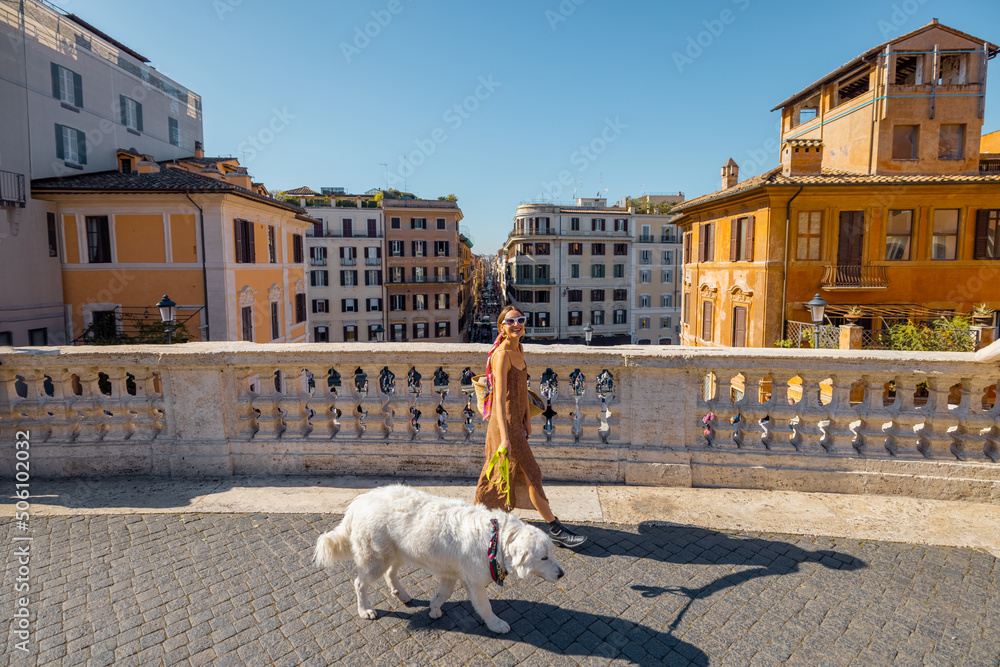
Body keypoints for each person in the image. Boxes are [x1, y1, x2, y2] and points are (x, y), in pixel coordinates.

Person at [474, 305, 586, 548]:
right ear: (501, 327)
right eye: (511, 322)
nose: (517, 325)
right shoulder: (502, 354)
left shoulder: (519, 349)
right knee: (528, 473)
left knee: (508, 475)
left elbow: (522, 389)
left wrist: (527, 418)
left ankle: (482, 524)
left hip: (516, 424)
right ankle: (555, 528)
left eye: (520, 320)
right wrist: (505, 437)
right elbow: (500, 401)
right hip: (504, 425)